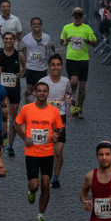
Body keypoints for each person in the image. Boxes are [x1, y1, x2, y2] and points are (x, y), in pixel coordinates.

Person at [14, 80, 64, 221]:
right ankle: (31, 191)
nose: (42, 93)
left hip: (47, 152)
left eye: (44, 91)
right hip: (31, 153)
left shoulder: (54, 111)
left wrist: (55, 135)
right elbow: (17, 124)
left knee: (45, 184)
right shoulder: (27, 109)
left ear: (48, 93)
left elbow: (59, 128)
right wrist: (24, 138)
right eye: (39, 91)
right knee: (35, 185)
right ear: (35, 93)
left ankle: (41, 217)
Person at [60, 7, 98, 117]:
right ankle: (72, 100)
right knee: (73, 81)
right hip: (71, 58)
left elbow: (94, 43)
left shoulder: (87, 29)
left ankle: (79, 107)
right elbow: (61, 42)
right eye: (75, 18)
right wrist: (67, 40)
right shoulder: (67, 28)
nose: (77, 20)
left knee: (82, 86)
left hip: (83, 59)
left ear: (82, 18)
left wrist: (87, 41)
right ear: (73, 17)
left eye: (79, 18)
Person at [44, 55, 72, 188]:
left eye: (58, 64)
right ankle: (46, 173)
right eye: (53, 65)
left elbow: (69, 96)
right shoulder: (43, 82)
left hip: (60, 121)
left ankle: (55, 177)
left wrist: (69, 101)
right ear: (49, 66)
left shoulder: (66, 81)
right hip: (45, 121)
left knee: (59, 151)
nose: (56, 67)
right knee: (46, 151)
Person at [0, 31, 24, 156]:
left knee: (13, 117)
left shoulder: (19, 56)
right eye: (6, 39)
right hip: (2, 89)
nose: (8, 41)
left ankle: (10, 145)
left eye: (10, 39)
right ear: (3, 40)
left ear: (14, 40)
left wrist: (21, 72)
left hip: (14, 89)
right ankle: (4, 139)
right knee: (3, 116)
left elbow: (23, 72)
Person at [22, 17, 54, 94]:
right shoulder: (26, 39)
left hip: (42, 69)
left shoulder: (47, 38)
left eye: (38, 24)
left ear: (41, 26)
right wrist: (23, 67)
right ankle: (27, 105)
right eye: (34, 24)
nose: (36, 26)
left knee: (41, 91)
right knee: (29, 90)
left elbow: (51, 52)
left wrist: (51, 67)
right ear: (31, 25)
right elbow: (23, 53)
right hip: (30, 68)